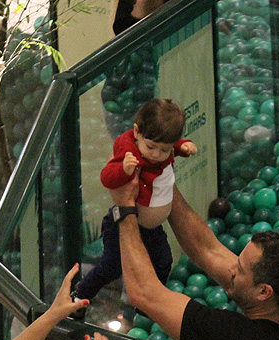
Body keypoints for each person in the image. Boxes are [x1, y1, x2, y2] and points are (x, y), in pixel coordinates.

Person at [108, 178, 279, 340]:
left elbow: (142, 292)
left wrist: (124, 210)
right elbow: (207, 250)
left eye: (239, 269)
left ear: (263, 292)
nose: (231, 268)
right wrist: (162, 176)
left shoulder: (238, 339)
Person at [74, 98, 198, 307]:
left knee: (163, 262)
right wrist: (124, 169)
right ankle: (80, 295)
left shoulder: (160, 147)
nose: (157, 155)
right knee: (111, 267)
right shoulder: (129, 150)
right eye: (151, 147)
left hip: (152, 229)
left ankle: (144, 308)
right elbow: (106, 177)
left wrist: (181, 147)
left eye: (164, 150)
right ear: (136, 132)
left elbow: (169, 144)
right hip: (122, 224)